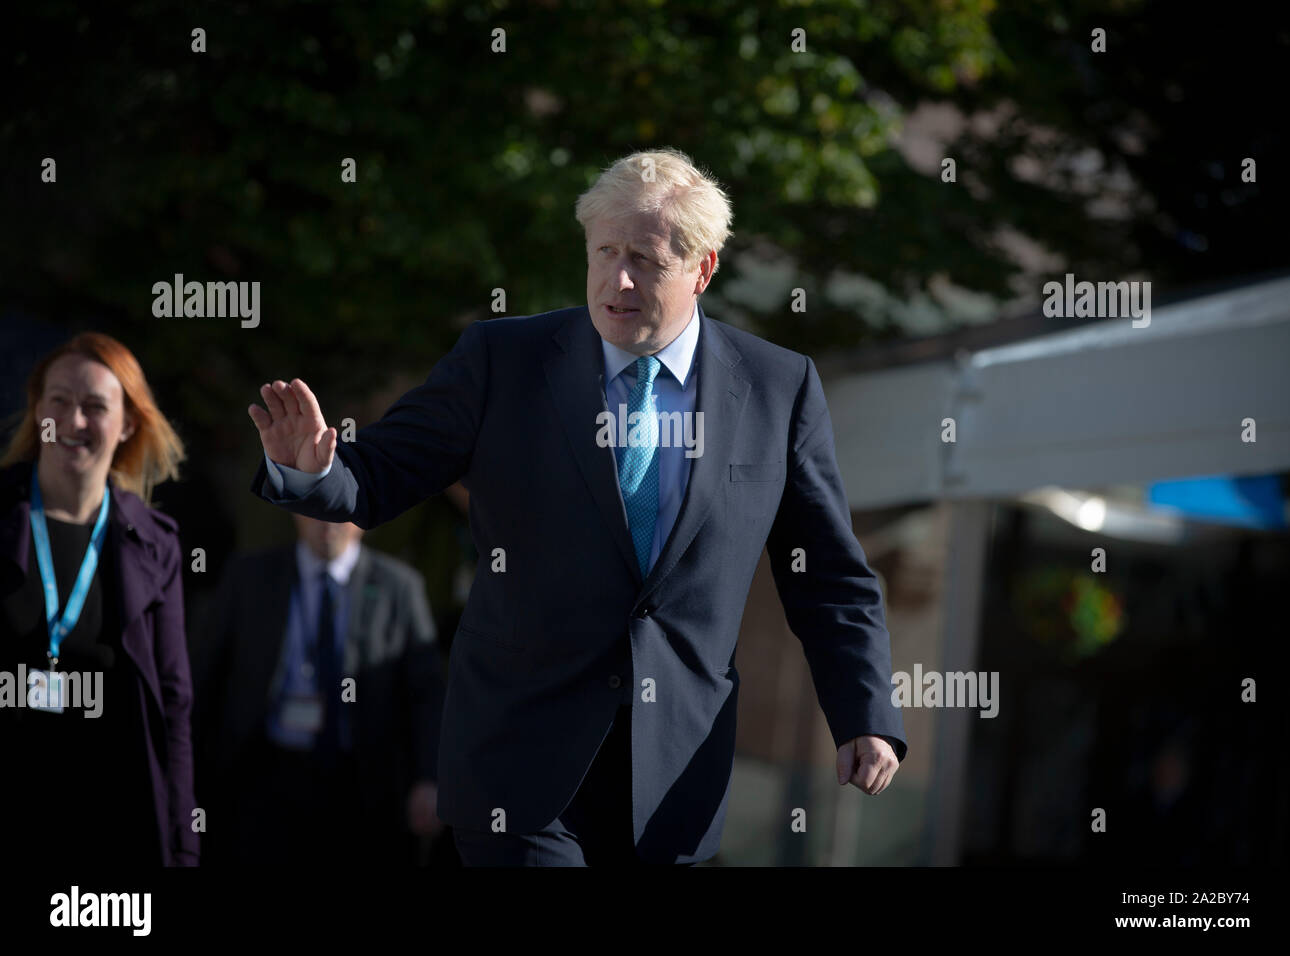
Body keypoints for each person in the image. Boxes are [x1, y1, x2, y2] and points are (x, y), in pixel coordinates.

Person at [246, 147, 907, 866]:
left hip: (675, 780)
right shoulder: (504, 361)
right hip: (519, 767)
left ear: (703, 269)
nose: (618, 279)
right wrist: (311, 469)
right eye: (605, 253)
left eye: (646, 260)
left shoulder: (780, 389)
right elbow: (375, 478)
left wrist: (864, 713)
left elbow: (829, 576)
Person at [0, 331, 197, 866]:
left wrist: (182, 845)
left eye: (95, 406)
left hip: (115, 828)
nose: (74, 420)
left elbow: (174, 706)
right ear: (37, 408)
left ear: (128, 423)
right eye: (59, 401)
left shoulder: (156, 545)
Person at [192, 513, 448, 866]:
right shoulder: (250, 576)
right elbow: (205, 678)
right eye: (316, 503)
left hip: (362, 785)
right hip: (265, 775)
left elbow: (427, 693)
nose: (328, 519)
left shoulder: (399, 588)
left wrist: (428, 778)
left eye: (340, 506)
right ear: (295, 509)